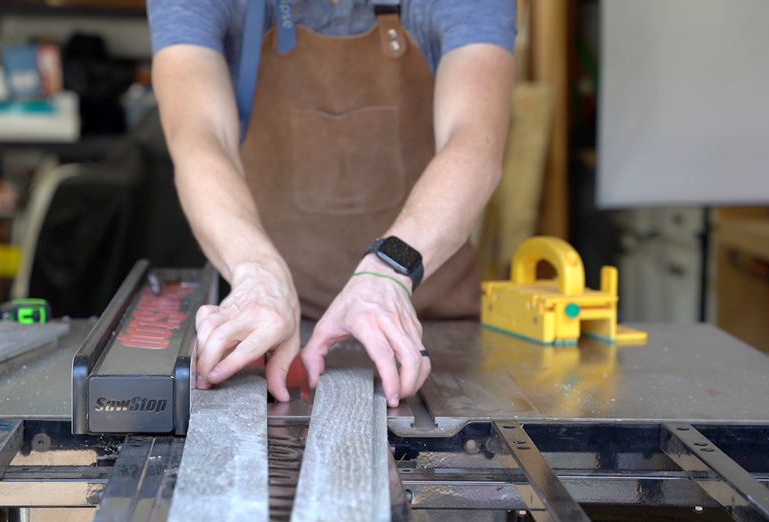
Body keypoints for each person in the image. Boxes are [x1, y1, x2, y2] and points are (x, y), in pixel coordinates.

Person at [148, 0, 516, 407]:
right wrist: (257, 271)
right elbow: (200, 137)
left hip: (430, 322)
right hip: (278, 327)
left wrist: (390, 270)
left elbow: (476, 141)